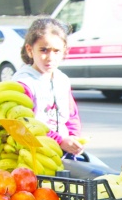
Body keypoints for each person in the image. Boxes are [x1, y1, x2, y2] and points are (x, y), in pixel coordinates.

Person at [12, 16, 84, 154]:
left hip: (63, 151)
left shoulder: (62, 80)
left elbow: (72, 115)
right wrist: (59, 141)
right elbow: (25, 124)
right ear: (29, 50)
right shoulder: (24, 83)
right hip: (35, 152)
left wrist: (74, 138)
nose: (50, 57)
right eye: (44, 50)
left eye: (56, 51)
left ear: (64, 50)